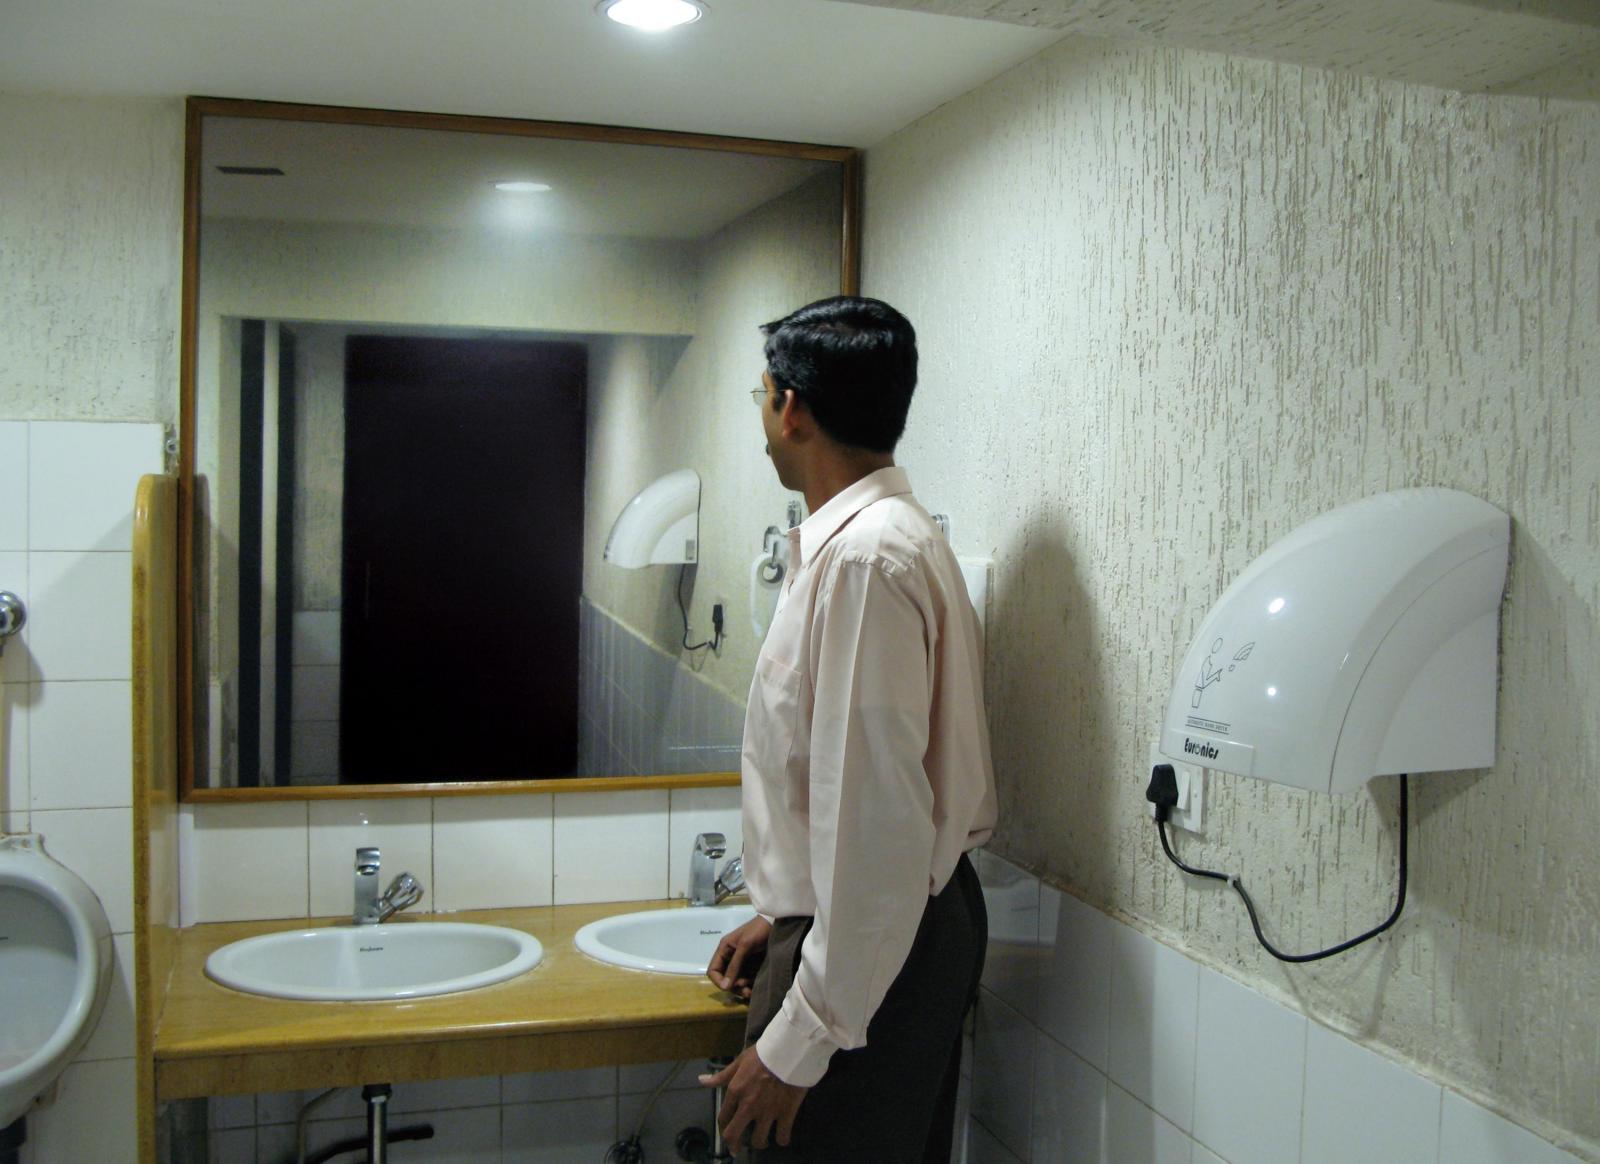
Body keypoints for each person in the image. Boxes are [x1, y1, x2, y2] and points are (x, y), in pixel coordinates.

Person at [701, 296, 998, 1162]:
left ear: (792, 408)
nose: (763, 418)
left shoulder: (866, 562)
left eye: (762, 395)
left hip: (878, 953)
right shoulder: (878, 544)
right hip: (887, 930)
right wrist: (783, 911)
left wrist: (799, 1044)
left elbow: (875, 831)